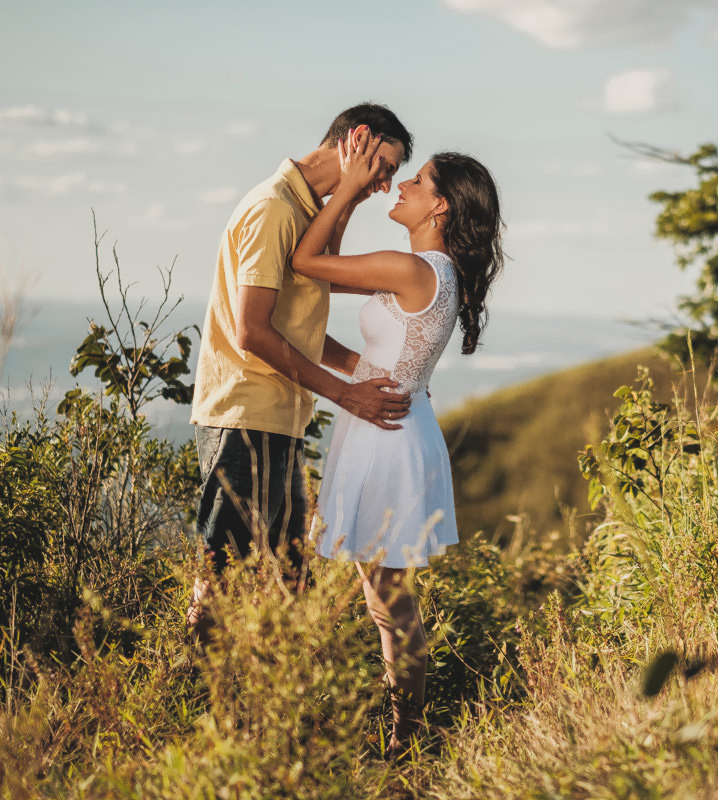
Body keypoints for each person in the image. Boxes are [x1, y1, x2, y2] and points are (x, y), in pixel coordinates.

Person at [290, 132, 504, 757]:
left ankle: (408, 738)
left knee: (389, 600)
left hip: (386, 438)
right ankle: (405, 733)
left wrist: (352, 188)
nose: (403, 185)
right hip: (385, 425)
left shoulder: (412, 268)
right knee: (383, 595)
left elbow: (307, 264)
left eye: (418, 182)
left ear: (439, 208)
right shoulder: (427, 271)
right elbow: (367, 344)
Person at [187, 104, 416, 639]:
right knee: (220, 583)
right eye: (384, 167)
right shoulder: (274, 209)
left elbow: (305, 309)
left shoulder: (305, 208)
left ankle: (272, 706)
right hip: (244, 417)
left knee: (293, 582)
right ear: (357, 139)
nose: (385, 185)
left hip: (278, 419)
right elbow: (254, 332)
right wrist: (347, 395)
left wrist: (359, 368)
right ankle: (191, 700)